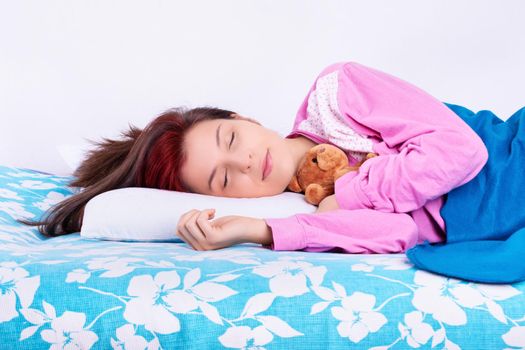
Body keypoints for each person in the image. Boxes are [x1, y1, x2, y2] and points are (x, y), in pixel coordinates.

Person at [20, 61, 525, 284]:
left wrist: (350, 191)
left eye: (230, 139)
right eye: (224, 180)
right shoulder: (301, 203)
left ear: (245, 119)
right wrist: (257, 230)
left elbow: (461, 152)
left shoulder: (341, 92)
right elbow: (401, 231)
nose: (242, 162)